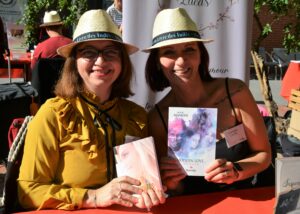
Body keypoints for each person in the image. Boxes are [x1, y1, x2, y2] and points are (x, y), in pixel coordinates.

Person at [17, 9, 165, 211]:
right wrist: (92, 197)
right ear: (74, 62)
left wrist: (158, 186)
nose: (101, 61)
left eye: (110, 52)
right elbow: (28, 191)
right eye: (89, 52)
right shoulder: (53, 114)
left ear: (122, 61)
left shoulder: (136, 115)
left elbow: (141, 181)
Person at [144, 8, 272, 195]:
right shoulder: (158, 118)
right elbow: (177, 189)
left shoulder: (235, 92)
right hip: (196, 204)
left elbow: (264, 155)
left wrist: (235, 170)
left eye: (189, 49)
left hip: (244, 197)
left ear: (201, 54)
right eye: (169, 52)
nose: (181, 61)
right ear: (157, 61)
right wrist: (171, 182)